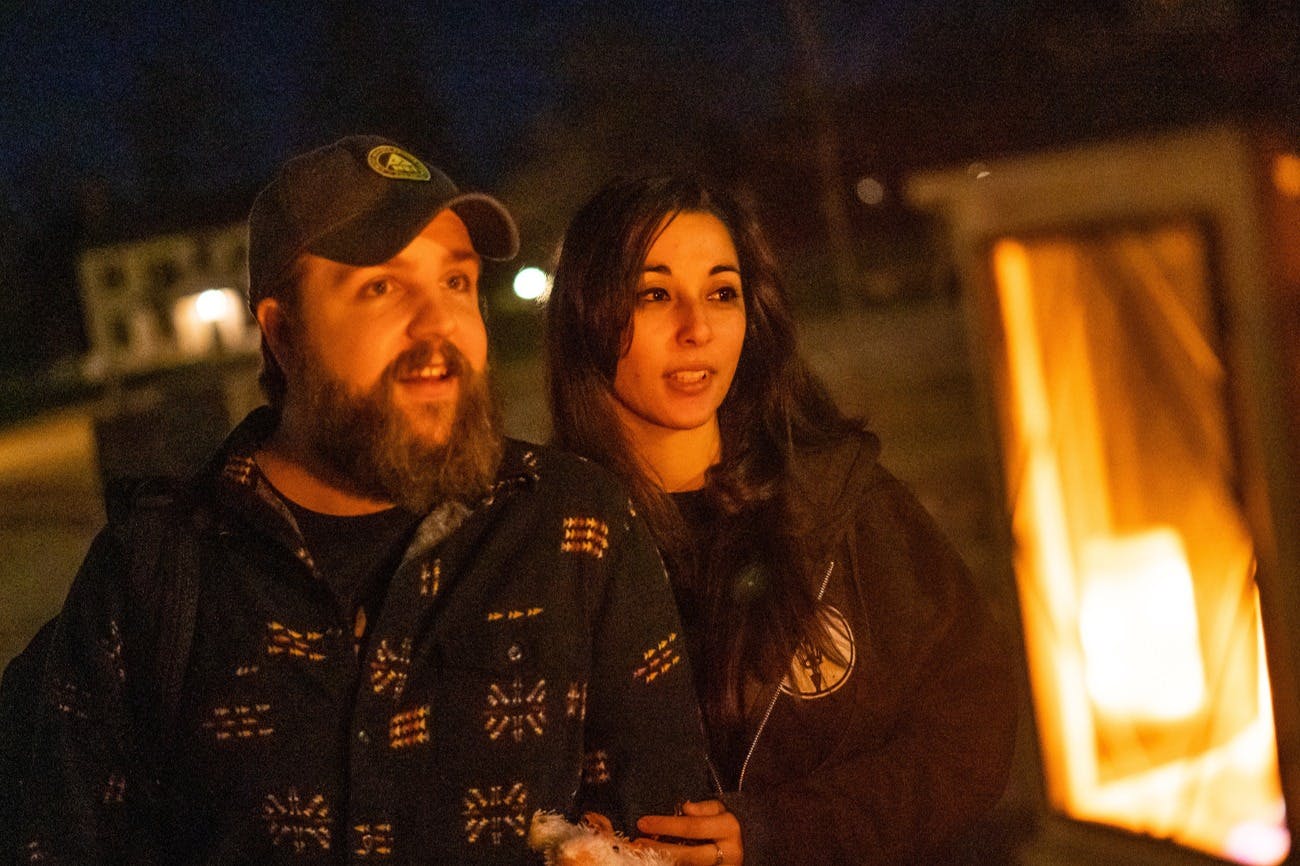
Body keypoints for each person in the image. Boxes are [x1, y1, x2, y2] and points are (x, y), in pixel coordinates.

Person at [16, 137, 712, 864]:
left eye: (456, 282)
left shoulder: (576, 527)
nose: (439, 324)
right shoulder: (153, 572)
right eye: (382, 288)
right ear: (283, 334)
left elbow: (662, 830)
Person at [544, 175, 1018, 866]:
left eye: (722, 293)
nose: (697, 329)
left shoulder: (838, 505)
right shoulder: (543, 544)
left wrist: (784, 831)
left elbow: (973, 728)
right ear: (588, 313)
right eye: (654, 295)